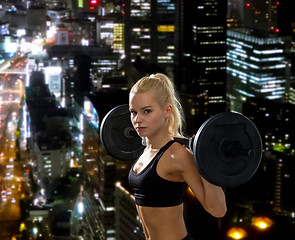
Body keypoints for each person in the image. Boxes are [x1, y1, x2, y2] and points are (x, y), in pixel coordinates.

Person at [128, 73, 227, 240]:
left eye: (146, 111)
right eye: (133, 112)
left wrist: (205, 160)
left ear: (167, 111)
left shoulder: (177, 155)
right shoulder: (146, 151)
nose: (137, 119)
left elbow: (218, 210)